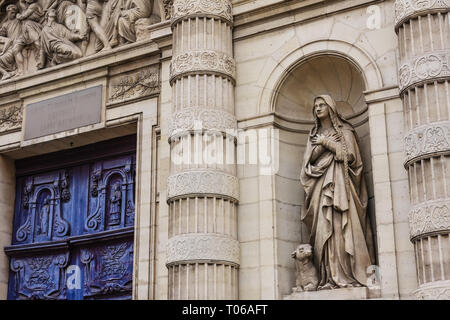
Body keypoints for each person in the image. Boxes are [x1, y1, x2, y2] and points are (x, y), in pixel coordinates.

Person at [300, 94, 375, 290]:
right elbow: (309, 163)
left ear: (331, 107)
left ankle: (346, 275)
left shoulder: (345, 131)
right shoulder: (312, 135)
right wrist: (322, 144)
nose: (317, 108)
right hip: (319, 186)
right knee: (323, 229)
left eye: (322, 104)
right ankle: (326, 278)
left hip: (340, 185)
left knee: (340, 228)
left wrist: (326, 143)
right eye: (315, 105)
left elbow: (349, 156)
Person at [0, 5, 22, 80]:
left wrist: (3, 51)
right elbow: (2, 35)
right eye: (11, 12)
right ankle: (10, 72)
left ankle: (12, 72)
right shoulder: (5, 24)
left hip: (16, 44)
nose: (13, 13)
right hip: (10, 47)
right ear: (7, 13)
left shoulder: (19, 20)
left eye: (14, 11)